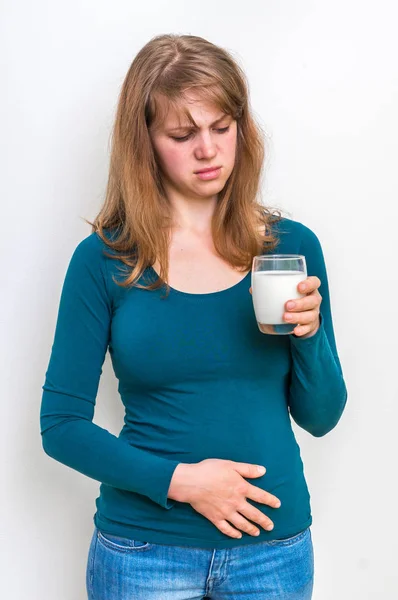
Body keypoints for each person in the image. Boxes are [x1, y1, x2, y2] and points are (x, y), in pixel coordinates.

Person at [39, 33, 347, 600]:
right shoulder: (106, 260)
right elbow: (60, 427)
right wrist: (183, 482)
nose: (208, 150)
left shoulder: (288, 248)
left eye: (221, 128)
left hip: (273, 550)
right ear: (147, 142)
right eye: (183, 134)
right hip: (143, 552)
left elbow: (322, 416)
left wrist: (309, 336)